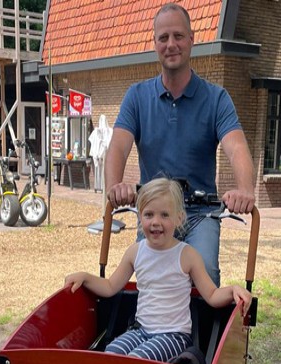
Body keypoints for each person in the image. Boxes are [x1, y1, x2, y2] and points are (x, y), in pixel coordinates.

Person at [106, 3, 255, 286]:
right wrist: (115, 186)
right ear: (155, 44)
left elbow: (236, 148)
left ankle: (197, 330)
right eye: (163, 38)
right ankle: (149, 328)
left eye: (178, 36)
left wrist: (245, 190)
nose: (171, 44)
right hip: (155, 210)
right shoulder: (137, 97)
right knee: (150, 276)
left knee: (205, 273)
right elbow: (117, 147)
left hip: (201, 212)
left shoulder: (216, 99)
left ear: (191, 40)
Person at [65, 178, 252, 363]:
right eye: (148, 215)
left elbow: (211, 295)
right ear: (139, 217)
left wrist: (232, 290)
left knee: (136, 361)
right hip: (141, 331)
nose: (155, 222)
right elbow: (110, 286)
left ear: (179, 218)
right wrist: (85, 277)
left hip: (174, 336)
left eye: (164, 215)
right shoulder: (136, 252)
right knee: (111, 354)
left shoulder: (187, 255)